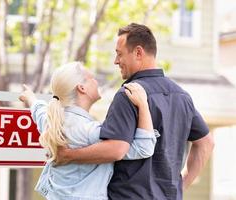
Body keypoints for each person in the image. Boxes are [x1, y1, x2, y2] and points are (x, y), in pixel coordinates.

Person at [56, 23, 215, 200]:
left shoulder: (129, 94)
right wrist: (179, 187)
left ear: (138, 52)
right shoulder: (182, 96)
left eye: (119, 54)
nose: (116, 61)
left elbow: (116, 150)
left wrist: (69, 155)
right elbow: (206, 143)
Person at [19, 62, 159, 200]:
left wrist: (30, 97)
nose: (96, 81)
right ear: (82, 88)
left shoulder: (52, 122)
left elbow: (39, 110)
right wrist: (143, 104)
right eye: (92, 78)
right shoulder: (90, 132)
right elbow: (143, 147)